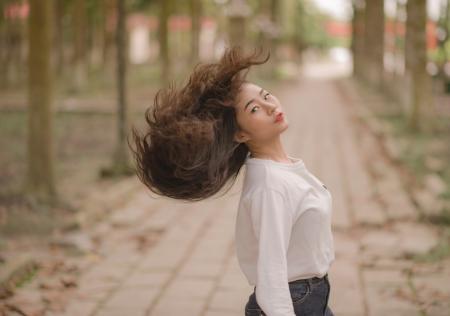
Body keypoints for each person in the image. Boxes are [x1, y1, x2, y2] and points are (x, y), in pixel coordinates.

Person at [129, 46, 335, 316]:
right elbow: (271, 270)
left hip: (310, 295)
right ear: (239, 135)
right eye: (255, 109)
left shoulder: (281, 170)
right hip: (293, 301)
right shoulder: (271, 185)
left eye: (266, 96)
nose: (271, 106)